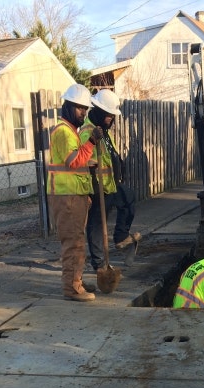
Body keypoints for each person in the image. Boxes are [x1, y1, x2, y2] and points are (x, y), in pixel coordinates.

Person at [46, 83, 104, 301]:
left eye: (85, 109)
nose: (83, 112)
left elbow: (75, 163)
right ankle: (72, 288)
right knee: (73, 243)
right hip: (66, 196)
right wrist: (91, 142)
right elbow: (73, 161)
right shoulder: (63, 132)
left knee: (77, 240)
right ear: (68, 107)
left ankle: (75, 280)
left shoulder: (71, 132)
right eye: (79, 108)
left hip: (73, 194)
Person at [79, 89, 139, 274]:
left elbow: (110, 154)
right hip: (96, 187)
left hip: (110, 184)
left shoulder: (104, 131)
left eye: (113, 116)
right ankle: (99, 264)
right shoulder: (88, 131)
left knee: (129, 198)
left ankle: (121, 237)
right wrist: (89, 190)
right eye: (108, 115)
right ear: (98, 111)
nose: (111, 119)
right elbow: (83, 159)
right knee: (97, 224)